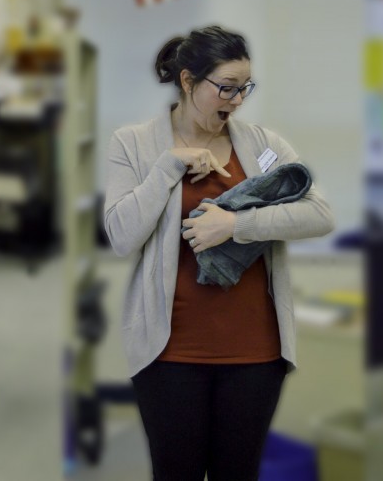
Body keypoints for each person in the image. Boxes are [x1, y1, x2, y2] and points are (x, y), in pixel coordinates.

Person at [104, 25, 334, 480]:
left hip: (255, 353)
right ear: (188, 81)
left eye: (243, 89)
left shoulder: (264, 146)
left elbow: (320, 214)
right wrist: (170, 164)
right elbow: (121, 236)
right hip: (168, 353)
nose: (235, 101)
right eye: (225, 88)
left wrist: (237, 225)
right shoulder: (133, 143)